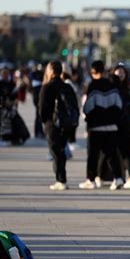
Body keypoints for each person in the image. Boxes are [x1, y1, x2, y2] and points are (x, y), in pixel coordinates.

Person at [78, 60, 124, 191]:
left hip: (96, 127)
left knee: (93, 155)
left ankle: (90, 180)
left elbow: (87, 107)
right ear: (103, 71)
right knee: (112, 154)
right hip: (111, 127)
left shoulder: (92, 86)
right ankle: (118, 178)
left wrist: (89, 119)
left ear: (92, 72)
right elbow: (119, 105)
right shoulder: (111, 85)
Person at [39, 61, 75, 191]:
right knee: (61, 151)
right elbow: (74, 106)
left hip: (52, 123)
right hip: (66, 124)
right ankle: (62, 179)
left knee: (56, 152)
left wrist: (45, 122)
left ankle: (61, 180)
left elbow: (42, 109)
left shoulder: (47, 87)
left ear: (51, 71)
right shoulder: (67, 87)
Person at [113, 63, 130, 189]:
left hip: (127, 125)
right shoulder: (111, 88)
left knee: (127, 152)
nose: (119, 76)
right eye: (117, 73)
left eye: (122, 73)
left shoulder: (128, 89)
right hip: (113, 125)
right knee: (114, 153)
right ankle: (118, 177)